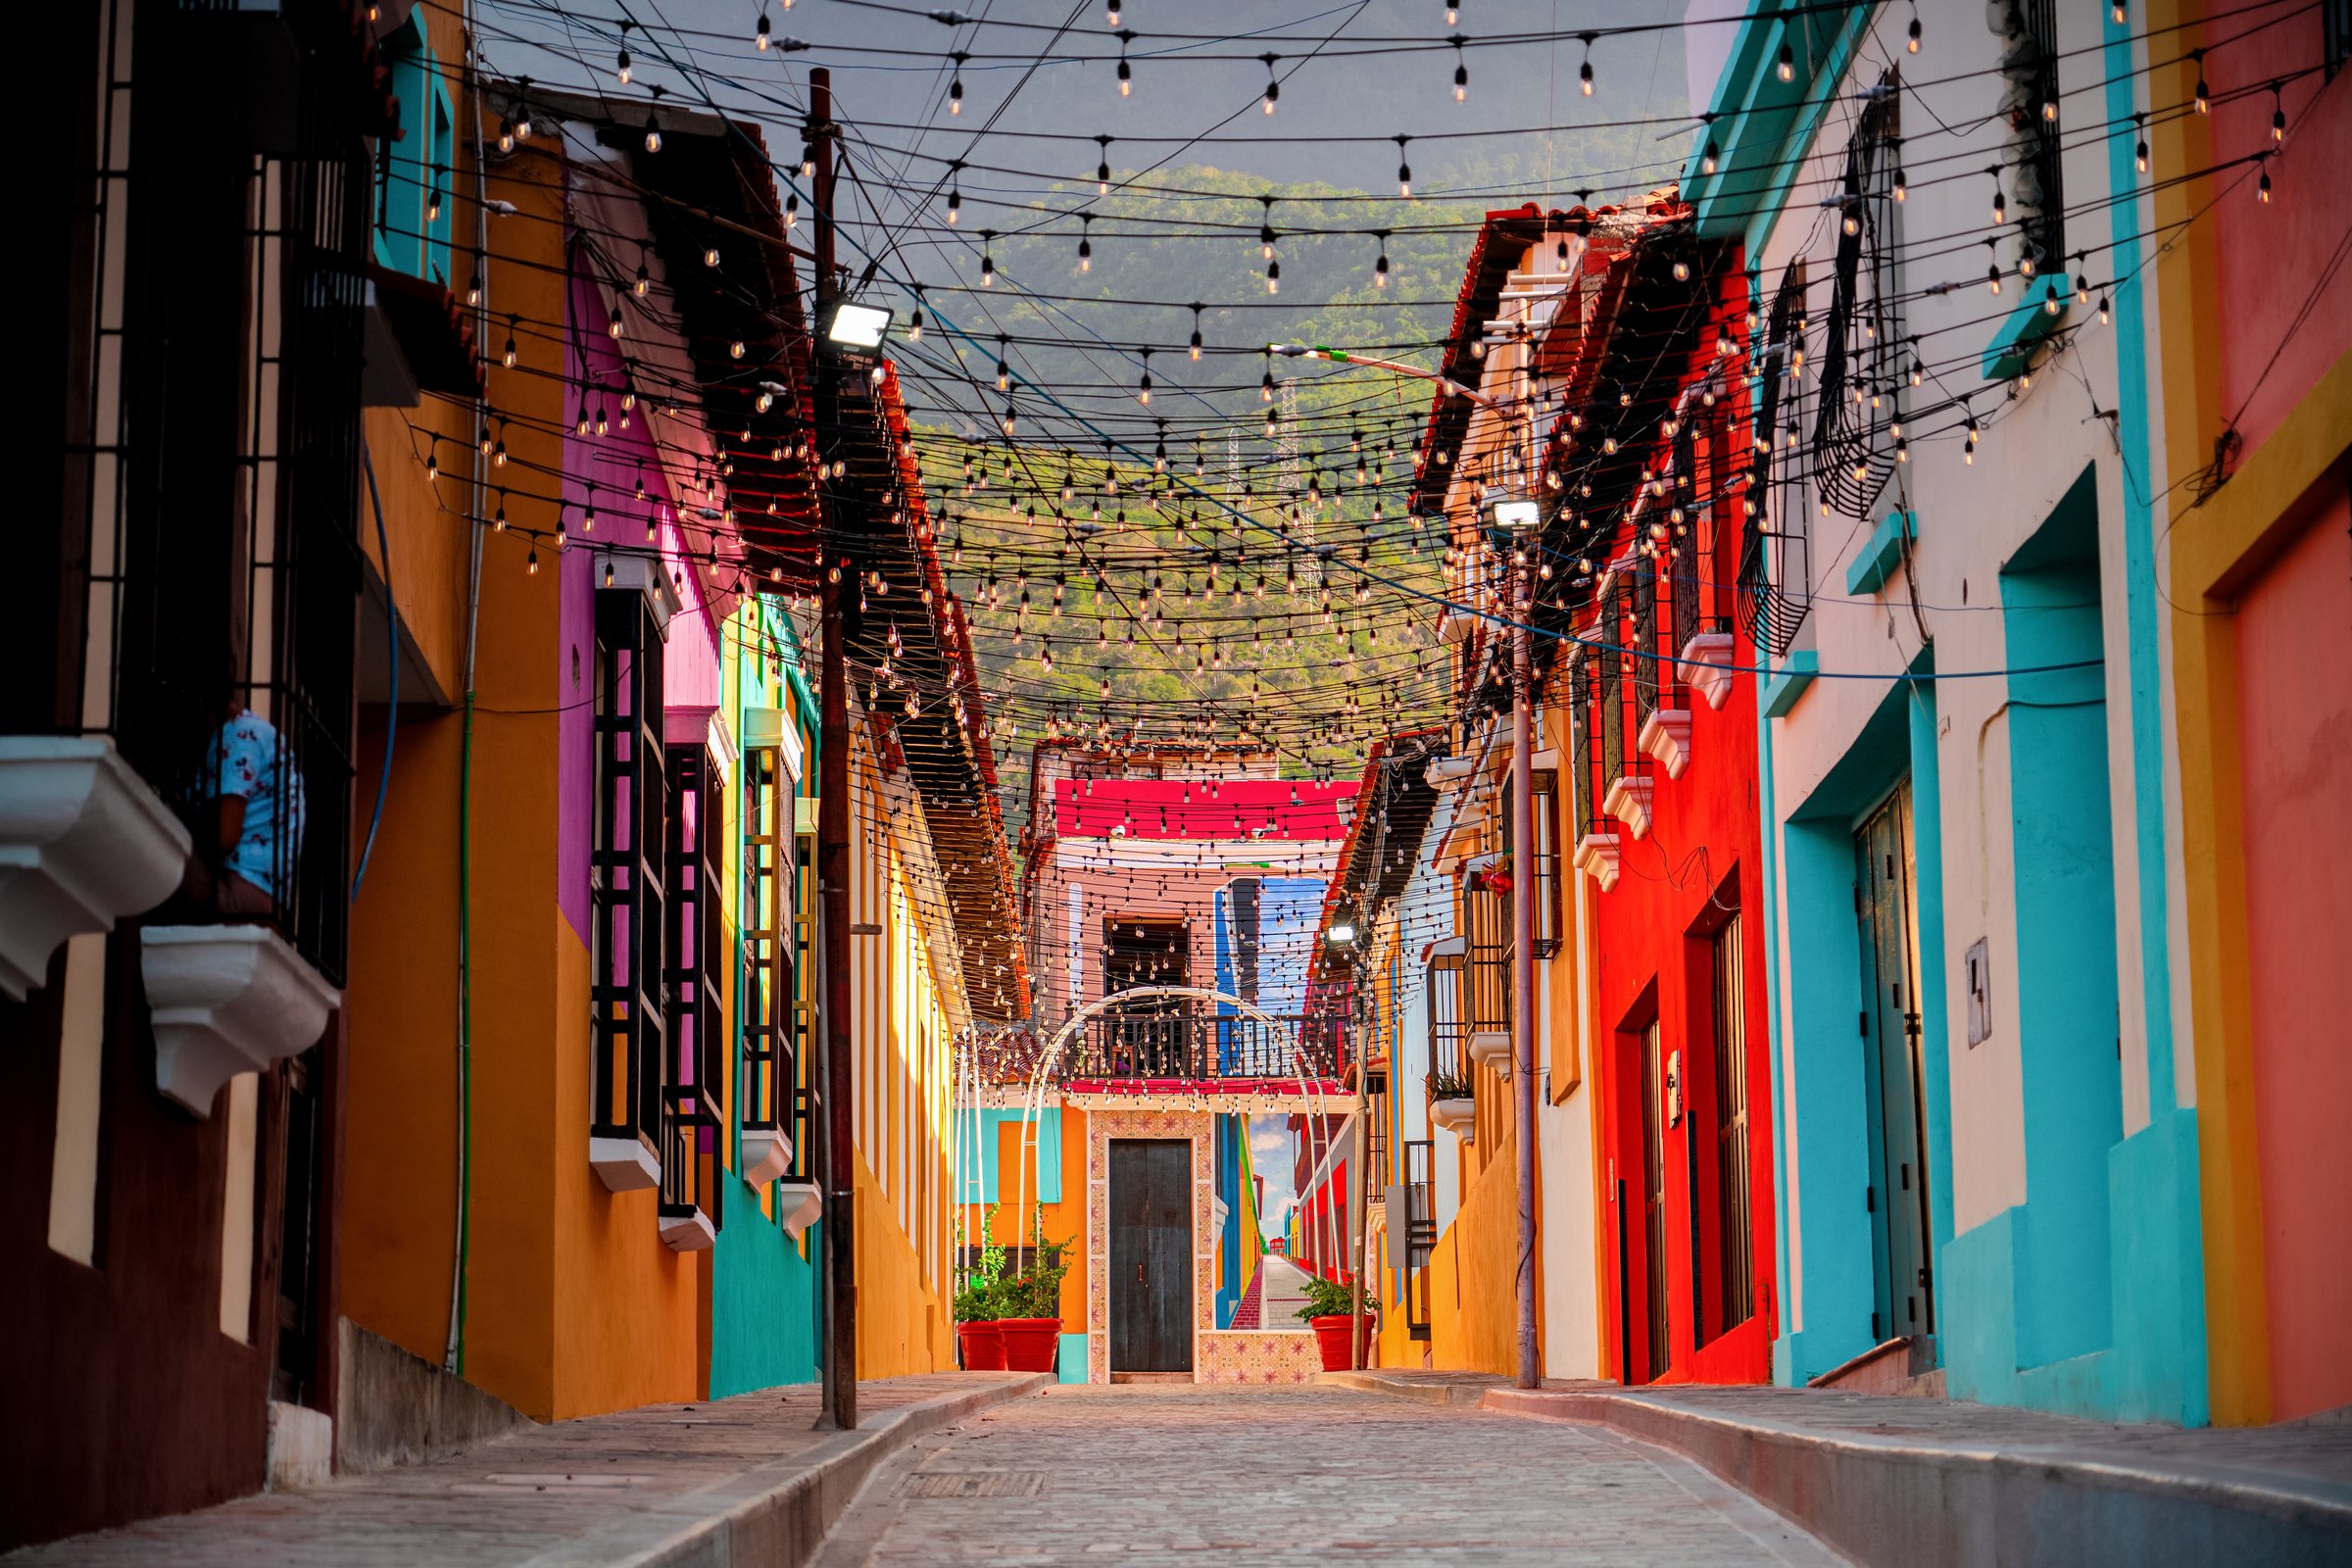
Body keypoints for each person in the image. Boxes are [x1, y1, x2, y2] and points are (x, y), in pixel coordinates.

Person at [196, 697, 306, 919]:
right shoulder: (262, 733)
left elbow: (224, 838)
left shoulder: (235, 736)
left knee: (149, 832)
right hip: (268, 895)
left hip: (240, 886)